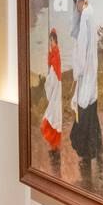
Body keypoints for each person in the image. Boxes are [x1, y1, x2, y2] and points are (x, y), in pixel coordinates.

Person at [69, 0, 103, 178]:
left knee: (84, 111)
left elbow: (81, 47)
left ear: (79, 2)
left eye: (77, 6)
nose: (77, 9)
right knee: (91, 108)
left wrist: (77, 73)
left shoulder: (85, 17)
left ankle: (87, 154)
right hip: (92, 69)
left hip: (86, 71)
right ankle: (97, 147)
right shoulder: (91, 12)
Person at [41, 28, 62, 171]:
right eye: (50, 41)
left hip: (55, 92)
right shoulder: (54, 55)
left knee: (52, 118)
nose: (51, 44)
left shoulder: (56, 56)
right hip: (55, 92)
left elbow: (53, 78)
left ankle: (55, 149)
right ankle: (54, 148)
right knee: (53, 118)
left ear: (55, 41)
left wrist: (47, 82)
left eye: (52, 41)